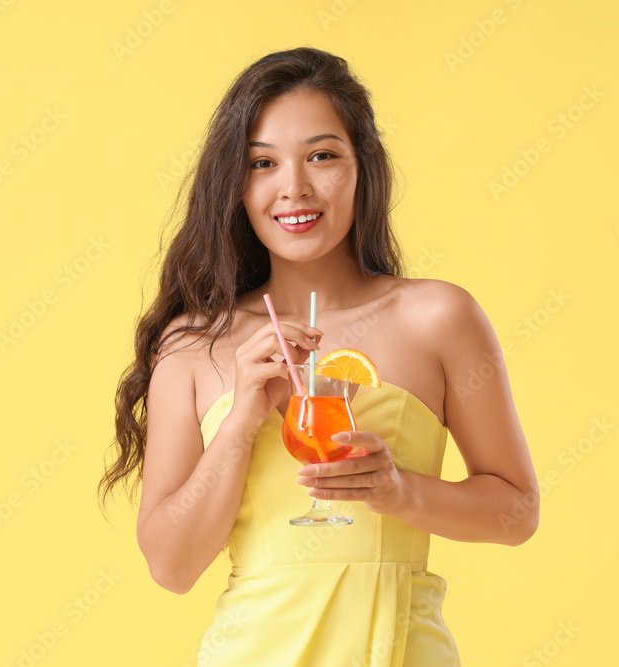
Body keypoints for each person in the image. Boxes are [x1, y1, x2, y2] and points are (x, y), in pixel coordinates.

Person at [100, 46, 539, 667]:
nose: (294, 188)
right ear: (236, 185)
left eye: (323, 155)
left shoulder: (439, 318)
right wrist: (241, 422)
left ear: (364, 168)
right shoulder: (195, 344)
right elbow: (171, 566)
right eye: (262, 164)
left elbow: (516, 514)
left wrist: (398, 492)